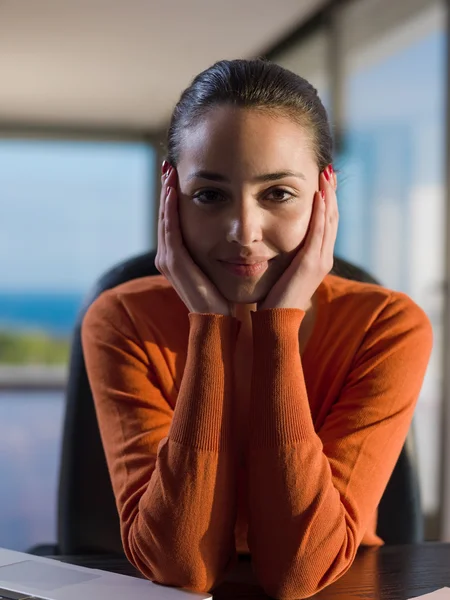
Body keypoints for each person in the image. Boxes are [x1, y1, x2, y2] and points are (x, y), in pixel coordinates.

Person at [82, 59, 433, 599]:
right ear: (171, 196)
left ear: (324, 196)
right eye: (210, 195)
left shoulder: (386, 327)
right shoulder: (122, 320)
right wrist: (208, 324)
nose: (244, 232)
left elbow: (300, 570)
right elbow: (181, 565)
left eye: (277, 194)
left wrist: (277, 326)